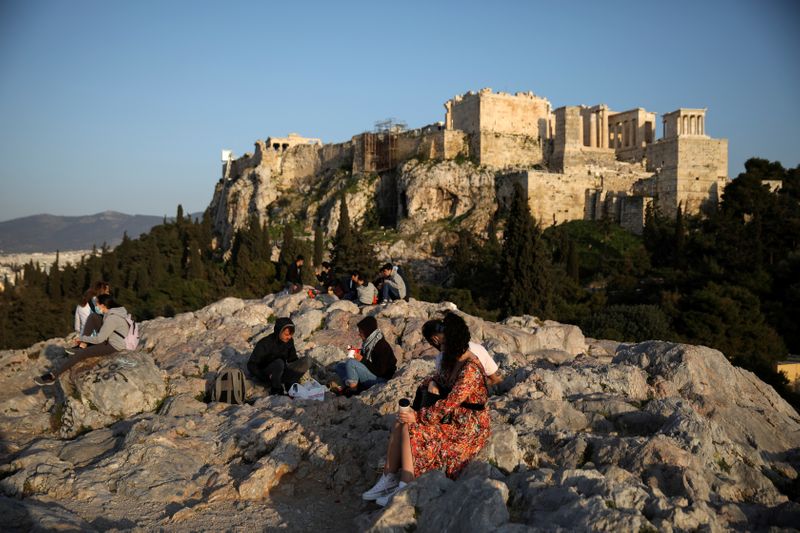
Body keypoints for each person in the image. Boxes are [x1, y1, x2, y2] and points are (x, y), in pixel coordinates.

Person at [362, 313, 490, 506]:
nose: (441, 348)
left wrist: (420, 416)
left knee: (411, 427)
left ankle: (406, 484)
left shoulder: (470, 368)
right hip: (452, 417)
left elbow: (451, 402)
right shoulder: (453, 360)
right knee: (401, 420)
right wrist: (431, 383)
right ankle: (388, 478)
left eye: (443, 344)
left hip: (467, 428)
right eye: (439, 344)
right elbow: (438, 379)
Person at [35, 294, 129, 386]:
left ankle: (53, 376)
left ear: (103, 305)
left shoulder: (112, 318)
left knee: (81, 354)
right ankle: (82, 345)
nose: (96, 306)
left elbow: (99, 339)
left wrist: (81, 338)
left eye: (97, 304)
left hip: (113, 345)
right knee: (93, 317)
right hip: (110, 336)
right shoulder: (112, 312)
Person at [422, 318, 502, 387]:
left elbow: (446, 383)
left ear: (435, 339)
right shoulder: (478, 347)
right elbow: (496, 379)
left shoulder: (441, 357)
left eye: (430, 341)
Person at [332, 316, 396, 395]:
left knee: (351, 363)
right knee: (340, 366)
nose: (359, 334)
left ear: (368, 332)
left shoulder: (380, 346)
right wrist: (357, 352)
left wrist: (362, 359)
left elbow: (380, 371)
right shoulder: (369, 343)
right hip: (372, 373)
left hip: (380, 379)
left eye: (361, 332)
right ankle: (353, 383)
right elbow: (367, 356)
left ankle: (353, 390)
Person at [247, 317, 310, 395]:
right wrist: (263, 376)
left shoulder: (289, 341)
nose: (289, 337)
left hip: (280, 373)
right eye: (286, 334)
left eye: (291, 334)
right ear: (278, 331)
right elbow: (251, 365)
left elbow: (292, 359)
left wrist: (299, 370)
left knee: (306, 361)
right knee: (279, 363)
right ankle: (276, 389)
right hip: (266, 375)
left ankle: (291, 386)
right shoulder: (265, 343)